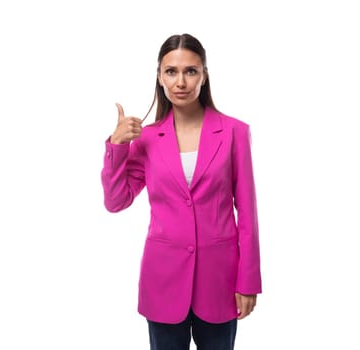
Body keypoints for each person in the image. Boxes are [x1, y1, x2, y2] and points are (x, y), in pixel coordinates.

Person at [101, 33, 262, 350]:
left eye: (191, 71)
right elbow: (116, 201)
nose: (181, 82)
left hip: (220, 280)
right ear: (159, 78)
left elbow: (247, 212)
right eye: (171, 71)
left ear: (204, 75)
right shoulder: (146, 139)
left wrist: (249, 280)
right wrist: (117, 146)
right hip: (162, 280)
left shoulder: (234, 132)